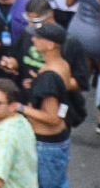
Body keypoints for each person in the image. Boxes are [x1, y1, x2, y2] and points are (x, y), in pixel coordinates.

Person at [22, 23, 78, 188]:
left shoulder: (49, 77)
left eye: (38, 37)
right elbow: (60, 95)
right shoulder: (63, 65)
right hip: (58, 142)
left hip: (46, 146)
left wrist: (20, 108)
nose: (33, 39)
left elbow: (52, 119)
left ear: (51, 44)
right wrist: (35, 85)